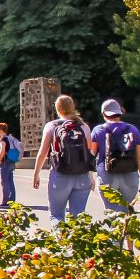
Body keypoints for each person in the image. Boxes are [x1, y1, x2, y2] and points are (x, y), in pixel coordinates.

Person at [32, 94, 94, 224]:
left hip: (60, 175)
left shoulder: (52, 126)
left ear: (58, 109)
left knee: (57, 215)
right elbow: (88, 153)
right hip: (82, 176)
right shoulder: (84, 126)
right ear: (72, 107)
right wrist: (90, 176)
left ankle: (61, 242)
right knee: (78, 218)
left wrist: (36, 174)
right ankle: (76, 243)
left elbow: (43, 152)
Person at [89, 99, 140, 214]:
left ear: (104, 114)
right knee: (126, 214)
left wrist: (90, 177)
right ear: (119, 112)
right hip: (130, 176)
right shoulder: (133, 130)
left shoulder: (98, 130)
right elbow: (139, 157)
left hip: (107, 176)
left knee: (112, 214)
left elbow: (91, 155)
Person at [0, 123, 19, 205]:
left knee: (4, 181)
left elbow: (2, 149)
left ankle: (5, 201)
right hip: (11, 161)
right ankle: (12, 200)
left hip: (4, 162)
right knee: (10, 181)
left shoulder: (3, 140)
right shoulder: (9, 138)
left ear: (1, 130)